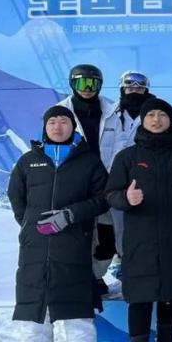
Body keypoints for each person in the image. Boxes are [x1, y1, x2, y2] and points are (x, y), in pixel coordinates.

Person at [7, 106, 108, 342]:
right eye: (52, 122)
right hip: (35, 246)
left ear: (72, 127)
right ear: (45, 127)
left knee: (75, 302)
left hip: (73, 243)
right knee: (34, 303)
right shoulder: (29, 161)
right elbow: (16, 197)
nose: (58, 126)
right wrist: (30, 225)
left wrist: (70, 215)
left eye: (64, 121)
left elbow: (103, 198)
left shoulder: (88, 162)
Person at [105, 97, 172, 342]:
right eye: (151, 115)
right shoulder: (127, 157)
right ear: (143, 120)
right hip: (139, 240)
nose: (157, 120)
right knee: (140, 299)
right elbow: (110, 194)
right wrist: (126, 198)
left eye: (162, 115)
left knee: (170, 295)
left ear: (170, 120)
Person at [58, 64, 120, 291]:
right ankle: (80, 278)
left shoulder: (112, 112)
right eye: (81, 82)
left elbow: (121, 146)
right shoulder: (60, 112)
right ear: (72, 84)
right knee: (80, 233)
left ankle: (96, 275)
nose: (87, 88)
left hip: (105, 184)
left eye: (92, 83)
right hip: (77, 184)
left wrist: (116, 177)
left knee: (106, 235)